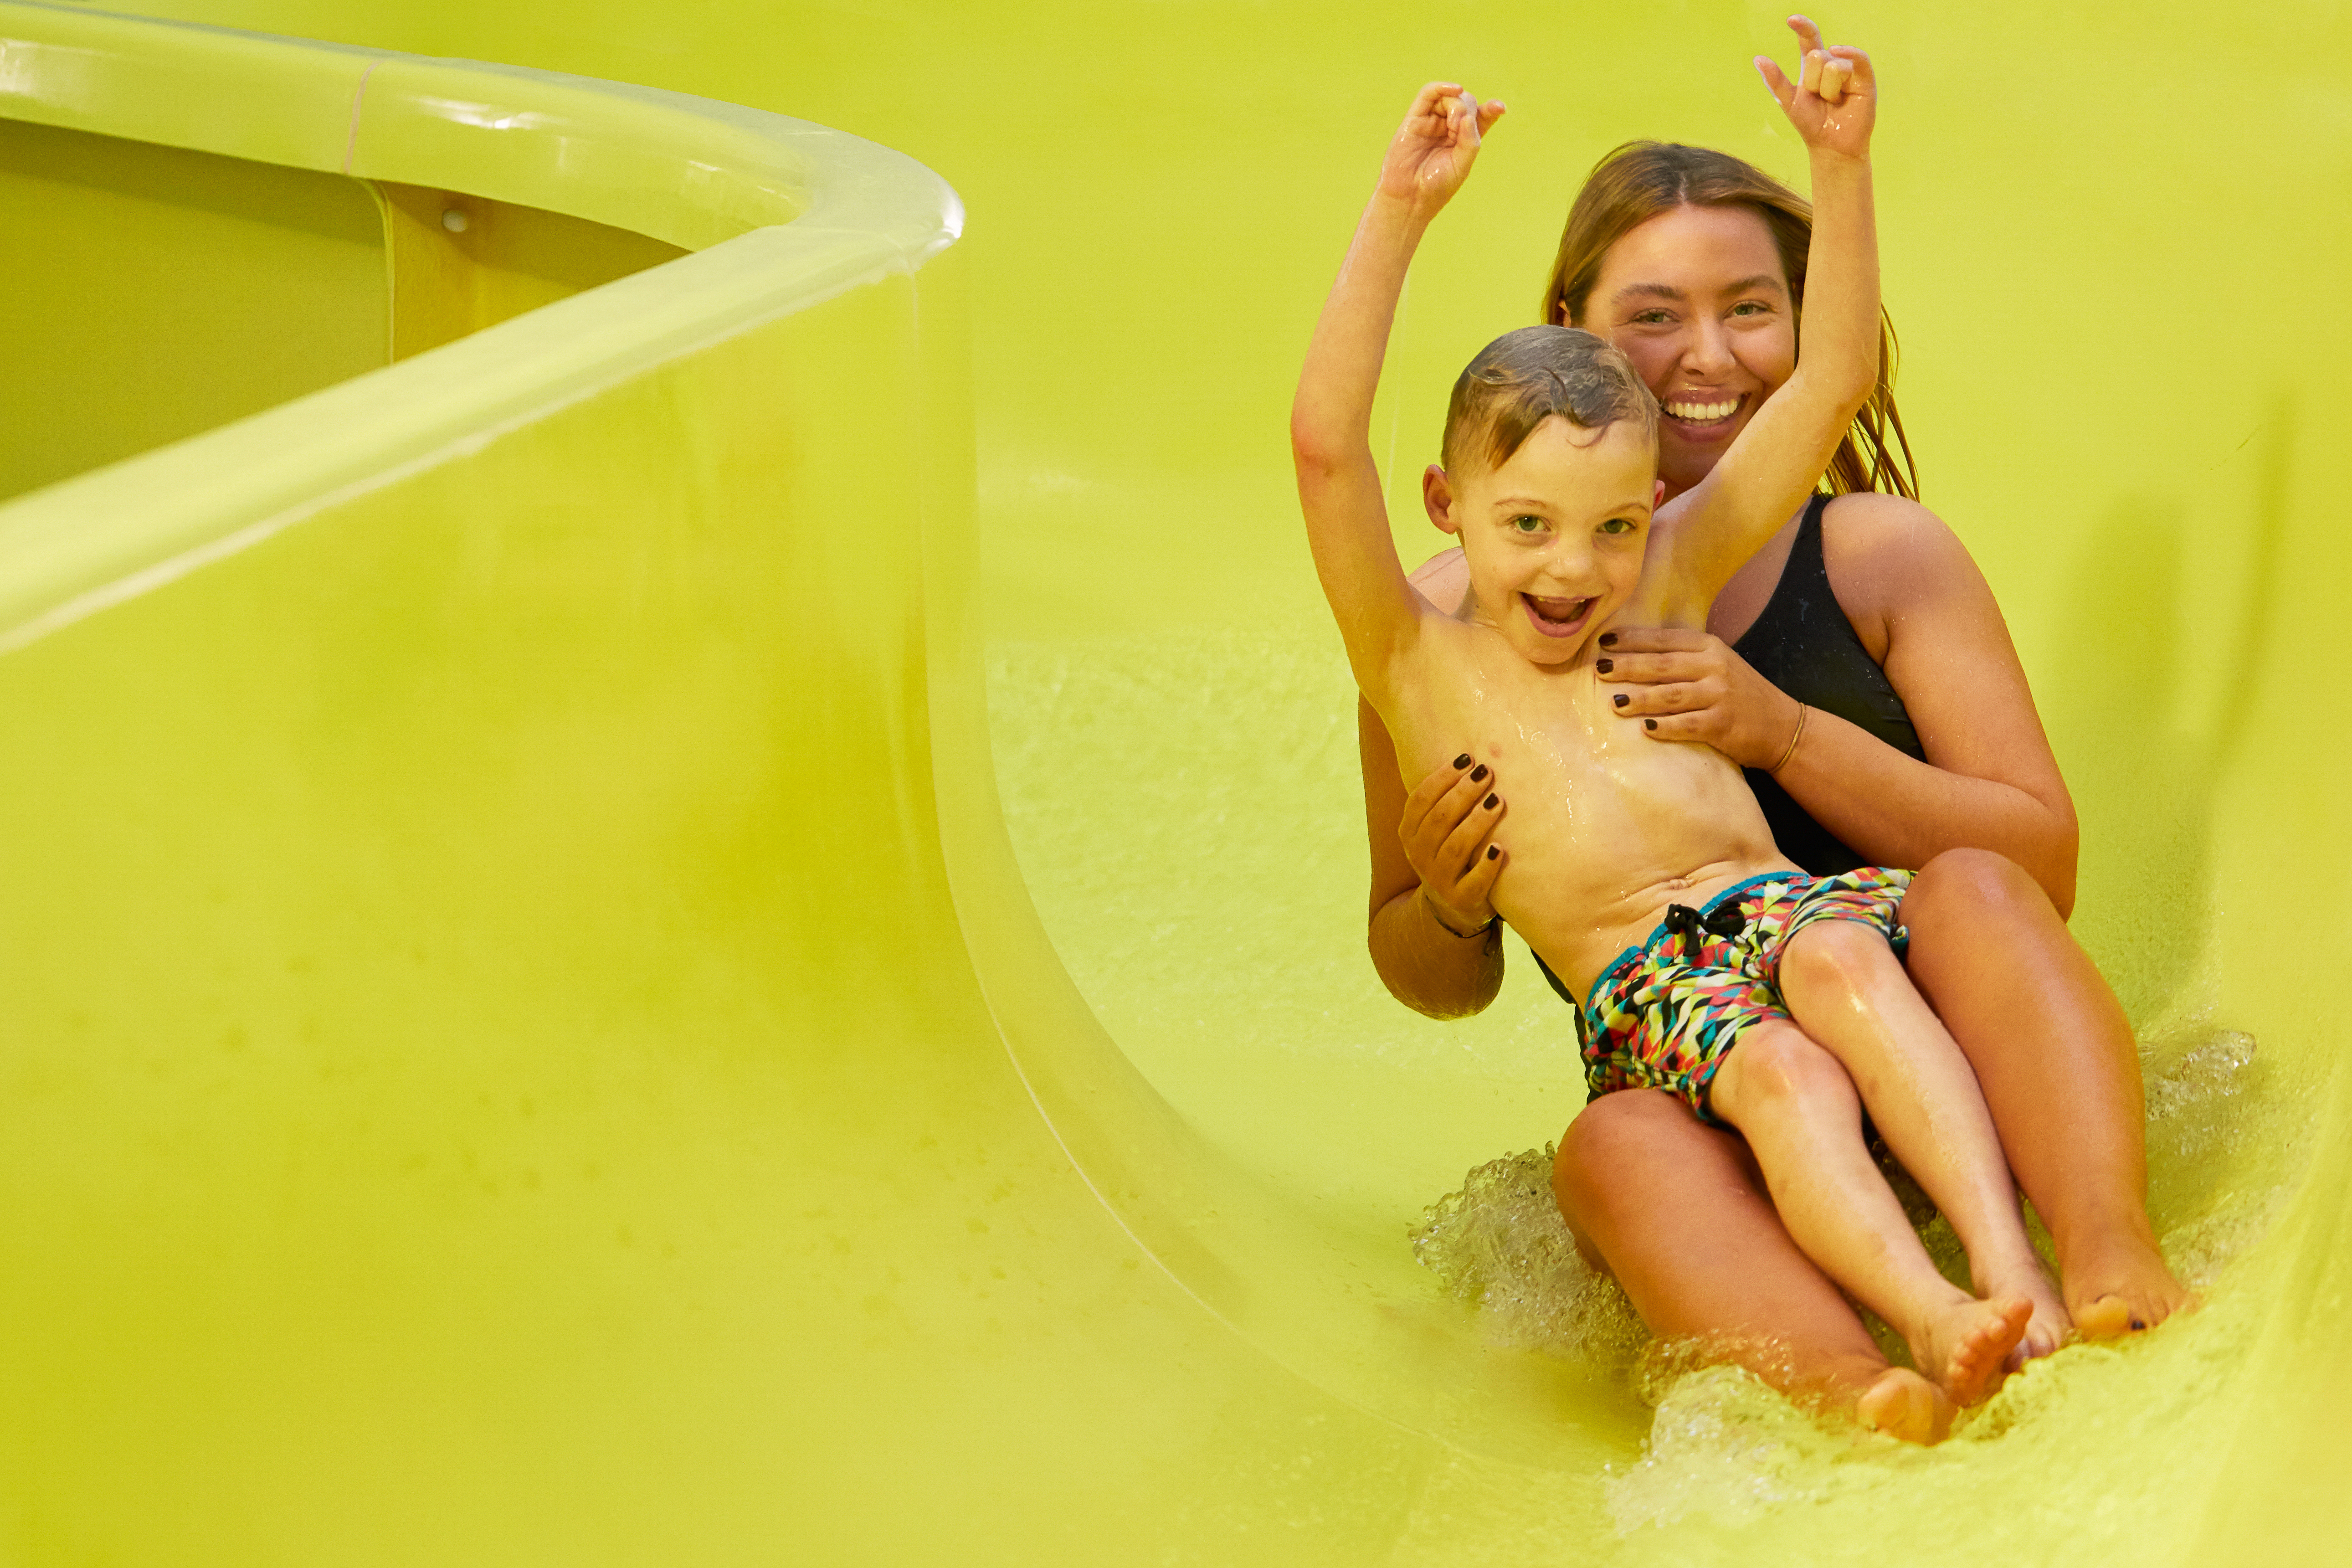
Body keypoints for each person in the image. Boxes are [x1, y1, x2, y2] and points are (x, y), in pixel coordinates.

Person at [1356, 17, 2190, 1417]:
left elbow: (2041, 867)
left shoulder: (1871, 553)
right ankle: (1862, 1381)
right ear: (1568, 338)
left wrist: (1784, 734)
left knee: (1974, 889)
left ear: (1804, 323)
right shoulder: (1456, 627)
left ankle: (2103, 1255)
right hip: (1727, 1103)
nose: (1705, 356)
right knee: (1610, 1145)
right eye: (1650, 317)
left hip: (1933, 1045)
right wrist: (1443, 900)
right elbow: (1425, 969)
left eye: (1751, 306)